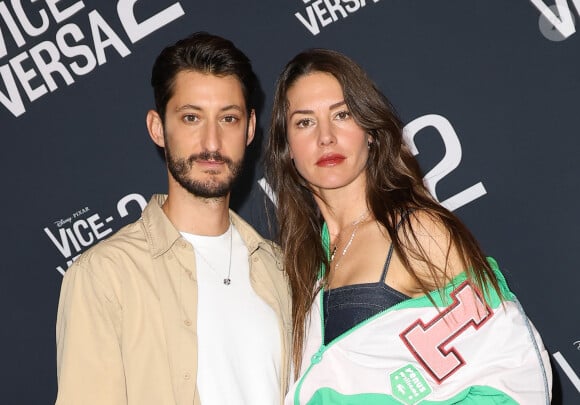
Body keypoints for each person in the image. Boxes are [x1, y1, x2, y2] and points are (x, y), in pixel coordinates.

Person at [265, 48, 552, 404]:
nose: (326, 136)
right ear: (287, 147)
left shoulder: (416, 230)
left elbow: (514, 363)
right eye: (305, 122)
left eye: (342, 114)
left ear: (369, 130)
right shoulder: (303, 264)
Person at [55, 32, 291, 405]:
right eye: (191, 117)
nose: (211, 142)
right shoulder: (106, 275)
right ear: (157, 128)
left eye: (227, 118)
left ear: (249, 129)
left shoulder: (281, 271)